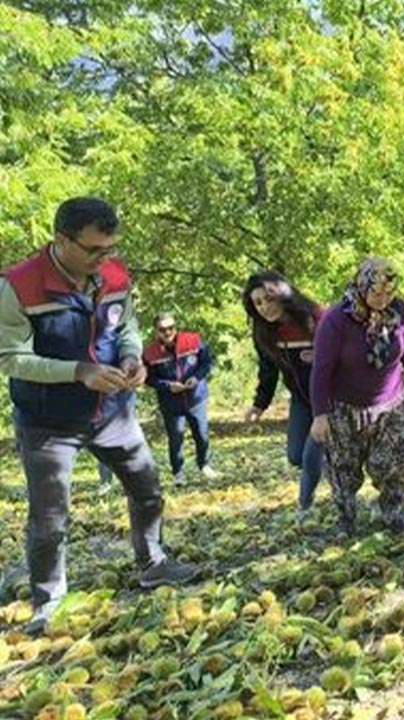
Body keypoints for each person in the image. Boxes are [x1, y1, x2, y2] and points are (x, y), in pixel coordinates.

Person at [0, 197, 197, 634]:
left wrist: (132, 358)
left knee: (147, 490)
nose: (103, 259)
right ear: (61, 240)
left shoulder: (114, 274)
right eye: (93, 250)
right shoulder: (18, 286)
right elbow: (10, 358)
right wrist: (78, 372)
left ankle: (153, 564)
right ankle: (49, 600)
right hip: (48, 421)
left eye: (109, 249)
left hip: (112, 412)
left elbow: (126, 326)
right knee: (49, 517)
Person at [309, 258, 404, 535]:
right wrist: (320, 415)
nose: (383, 299)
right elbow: (321, 371)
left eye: (389, 293)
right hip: (345, 407)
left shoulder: (400, 312)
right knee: (344, 470)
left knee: (393, 464)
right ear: (362, 287)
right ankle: (346, 520)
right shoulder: (336, 320)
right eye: (376, 293)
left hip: (391, 403)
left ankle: (396, 516)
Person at [242, 271, 327, 513]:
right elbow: (267, 370)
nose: (264, 308)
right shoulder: (263, 333)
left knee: (312, 455)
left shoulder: (315, 319)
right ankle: (338, 469)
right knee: (296, 456)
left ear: (282, 295)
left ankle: (305, 508)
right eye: (257, 303)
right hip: (301, 399)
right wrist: (259, 404)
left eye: (268, 299)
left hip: (331, 399)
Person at [142, 312, 216, 485]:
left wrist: (196, 378)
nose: (168, 333)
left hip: (196, 397)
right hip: (171, 402)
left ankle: (204, 464)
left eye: (171, 328)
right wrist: (168, 386)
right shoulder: (150, 353)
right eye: (163, 330)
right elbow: (148, 378)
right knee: (176, 438)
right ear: (156, 331)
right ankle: (178, 472)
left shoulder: (193, 340)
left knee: (202, 434)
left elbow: (206, 363)